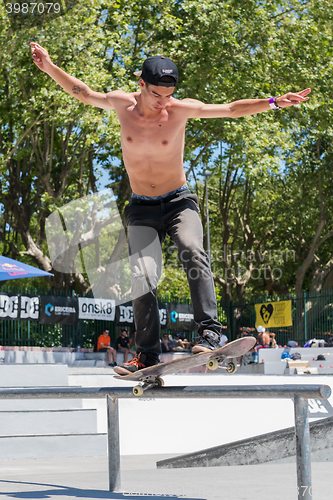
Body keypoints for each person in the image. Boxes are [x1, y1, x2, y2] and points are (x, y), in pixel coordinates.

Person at [30, 43, 310, 373]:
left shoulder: (180, 110)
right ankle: (145, 356)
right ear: (141, 85)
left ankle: (210, 333)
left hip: (179, 203)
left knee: (192, 248)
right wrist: (49, 67)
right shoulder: (122, 104)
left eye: (169, 94)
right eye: (156, 95)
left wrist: (275, 102)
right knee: (142, 276)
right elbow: (84, 92)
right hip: (141, 209)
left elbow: (232, 109)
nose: (164, 102)